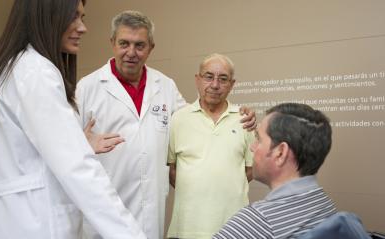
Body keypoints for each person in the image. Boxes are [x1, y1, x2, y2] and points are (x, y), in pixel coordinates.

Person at [76, 10, 256, 239]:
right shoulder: (88, 88)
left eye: (140, 45)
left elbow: (196, 116)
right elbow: (66, 150)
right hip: (105, 206)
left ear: (151, 47)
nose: (131, 52)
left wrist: (242, 114)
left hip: (150, 209)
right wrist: (82, 143)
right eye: (124, 43)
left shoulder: (165, 86)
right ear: (112, 43)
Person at [0, 1, 145, 238]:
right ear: (47, 15)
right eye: (73, 17)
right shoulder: (36, 72)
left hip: (12, 222)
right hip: (36, 224)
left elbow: (25, 154)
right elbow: (78, 170)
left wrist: (77, 143)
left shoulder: (14, 66)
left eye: (82, 17)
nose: (82, 27)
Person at [213, 103, 337, 239]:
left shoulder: (257, 222)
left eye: (259, 139)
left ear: (280, 153)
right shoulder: (325, 204)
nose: (252, 147)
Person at [166, 54, 255, 239]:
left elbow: (250, 170)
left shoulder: (245, 120)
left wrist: (223, 185)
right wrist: (196, 187)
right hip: (187, 228)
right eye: (208, 77)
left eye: (223, 79)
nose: (215, 85)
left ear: (232, 84)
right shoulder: (178, 119)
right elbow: (171, 170)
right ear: (197, 80)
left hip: (235, 228)